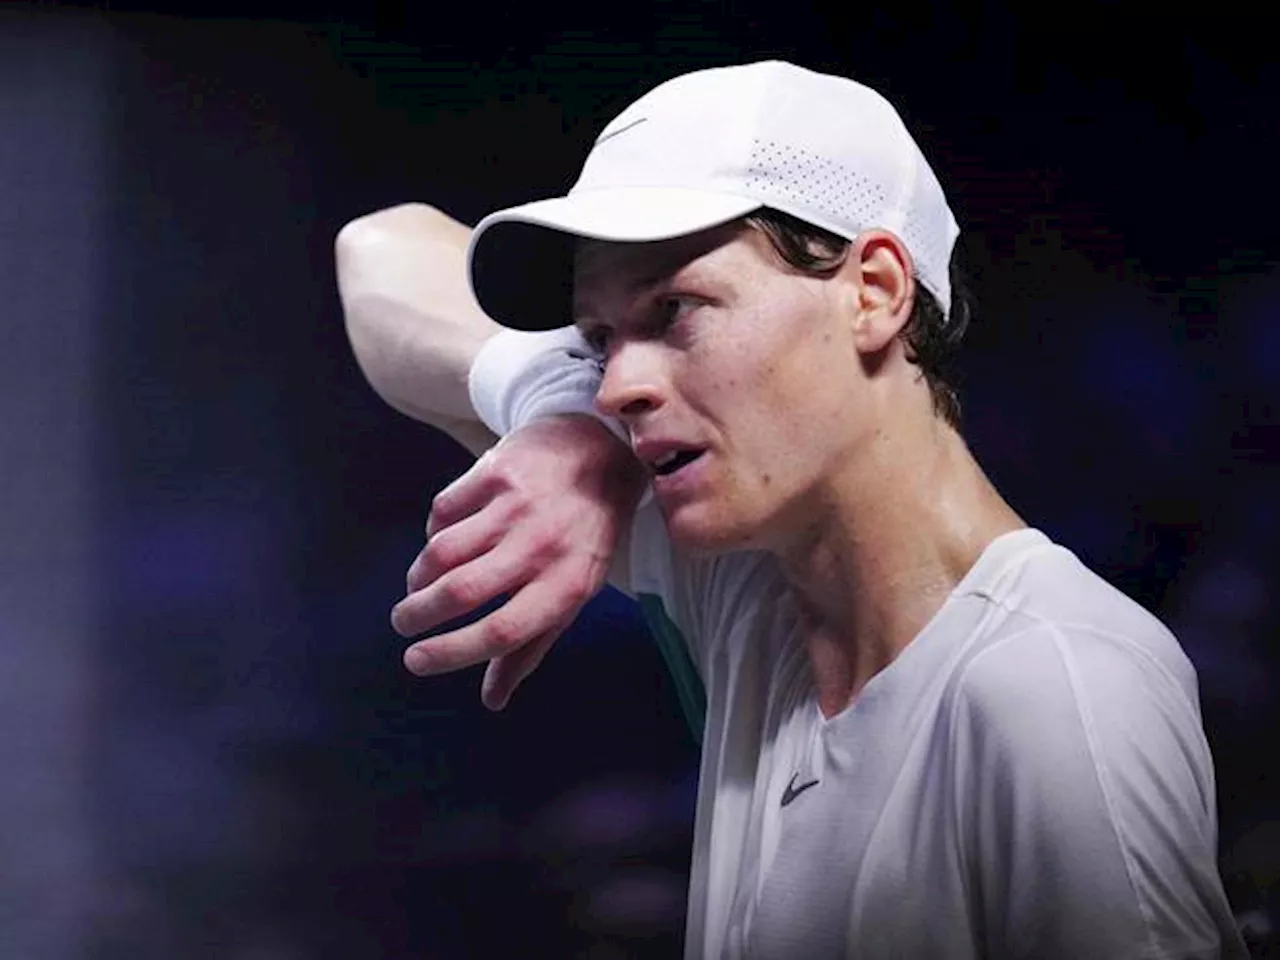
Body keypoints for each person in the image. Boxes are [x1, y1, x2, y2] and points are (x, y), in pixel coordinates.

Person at [336, 61, 1246, 958]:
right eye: (600, 338)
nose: (618, 384)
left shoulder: (1053, 685)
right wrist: (559, 414)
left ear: (876, 290)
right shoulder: (753, 570)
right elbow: (378, 253)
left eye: (675, 309)